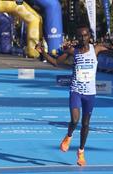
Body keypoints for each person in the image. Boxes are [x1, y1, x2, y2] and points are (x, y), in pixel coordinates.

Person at [36, 25, 107, 166]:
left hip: (90, 93)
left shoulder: (96, 49)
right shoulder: (73, 51)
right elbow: (56, 63)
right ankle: (68, 136)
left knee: (86, 124)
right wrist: (42, 52)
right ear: (77, 37)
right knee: (75, 120)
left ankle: (80, 152)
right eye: (80, 36)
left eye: (85, 35)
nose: (83, 38)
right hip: (76, 90)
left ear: (89, 36)